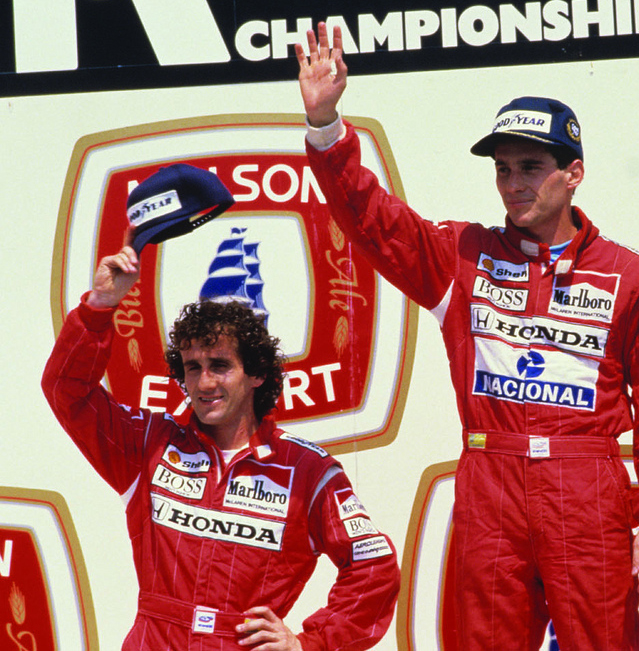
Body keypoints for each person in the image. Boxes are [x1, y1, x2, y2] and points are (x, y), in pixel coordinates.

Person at [295, 23, 639, 651]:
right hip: (491, 482)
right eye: (503, 170)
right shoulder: (463, 255)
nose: (513, 184)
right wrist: (326, 126)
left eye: (530, 167)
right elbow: (373, 220)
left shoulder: (631, 276)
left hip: (586, 486)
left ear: (574, 173)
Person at [42, 239, 400, 650]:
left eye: (220, 366)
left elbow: (374, 568)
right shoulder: (148, 445)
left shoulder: (309, 472)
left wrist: (309, 644)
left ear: (257, 374)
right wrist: (100, 305)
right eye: (193, 368)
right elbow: (66, 389)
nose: (205, 382)